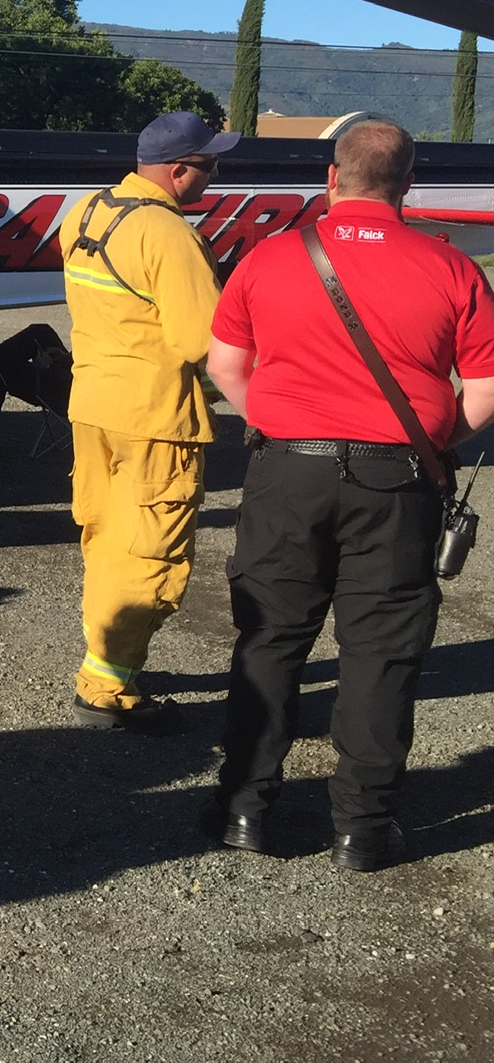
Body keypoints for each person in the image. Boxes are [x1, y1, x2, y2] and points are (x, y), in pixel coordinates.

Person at [202, 119, 494, 870]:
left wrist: (276, 421)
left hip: (285, 471)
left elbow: (225, 364)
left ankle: (242, 809)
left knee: (268, 638)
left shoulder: (267, 257)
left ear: (330, 178)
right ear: (405, 183)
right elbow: (485, 391)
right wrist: (431, 440)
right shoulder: (451, 267)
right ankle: (361, 828)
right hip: (398, 478)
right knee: (382, 652)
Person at [56, 110, 234, 731]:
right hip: (155, 417)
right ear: (179, 169)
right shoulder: (169, 235)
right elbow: (201, 341)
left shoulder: (84, 212)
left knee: (106, 539)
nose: (215, 177)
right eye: (211, 166)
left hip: (94, 406)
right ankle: (107, 690)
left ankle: (105, 660)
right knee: (149, 552)